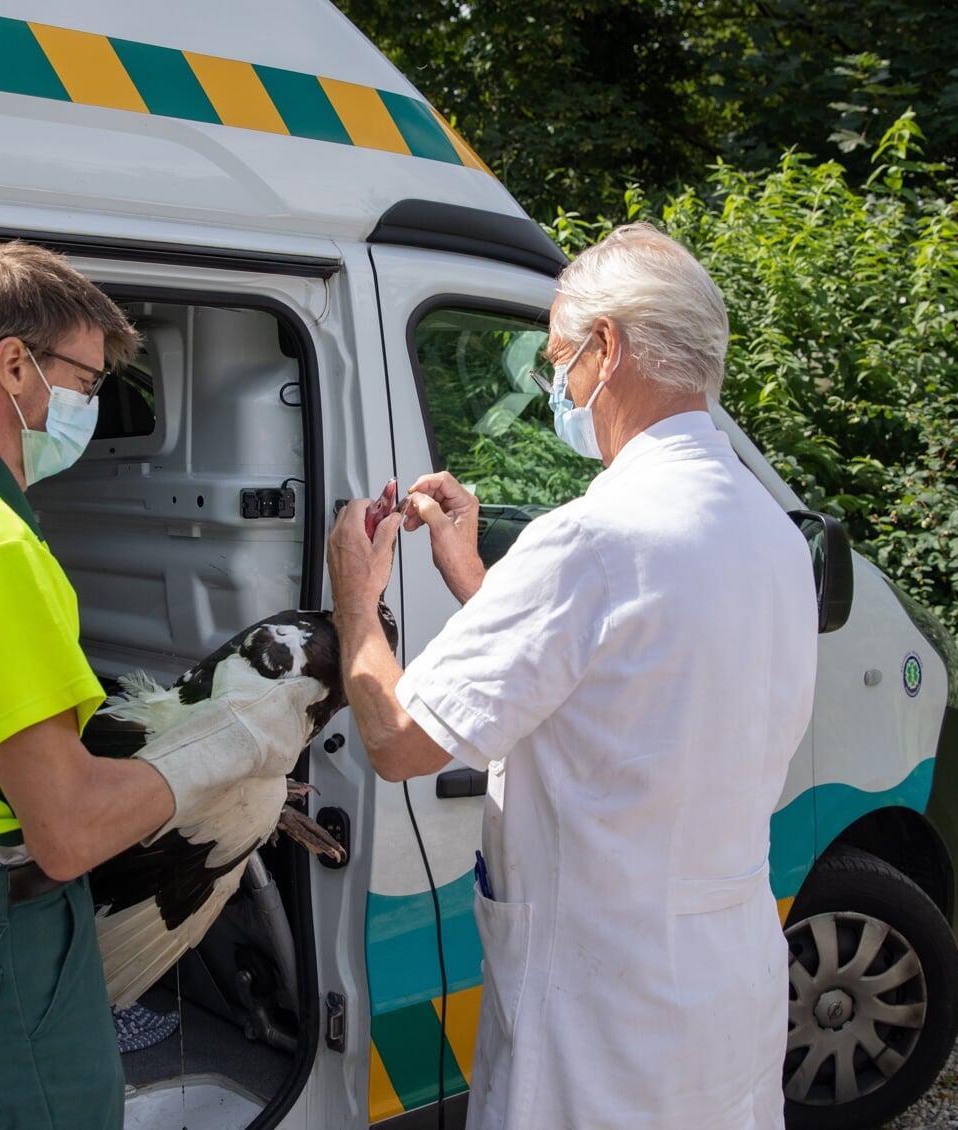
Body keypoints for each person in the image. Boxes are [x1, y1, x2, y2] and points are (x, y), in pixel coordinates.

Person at [327, 223, 818, 1130]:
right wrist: (473, 574)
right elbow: (609, 689)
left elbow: (399, 742)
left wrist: (356, 602)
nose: (553, 382)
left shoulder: (593, 539)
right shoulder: (768, 529)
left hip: (600, 1018)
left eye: (556, 356)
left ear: (608, 348)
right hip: (719, 984)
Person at [0, 242, 307, 1129]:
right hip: (6, 950)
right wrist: (234, 749)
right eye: (87, 381)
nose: (92, 403)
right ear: (13, 365)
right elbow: (70, 832)